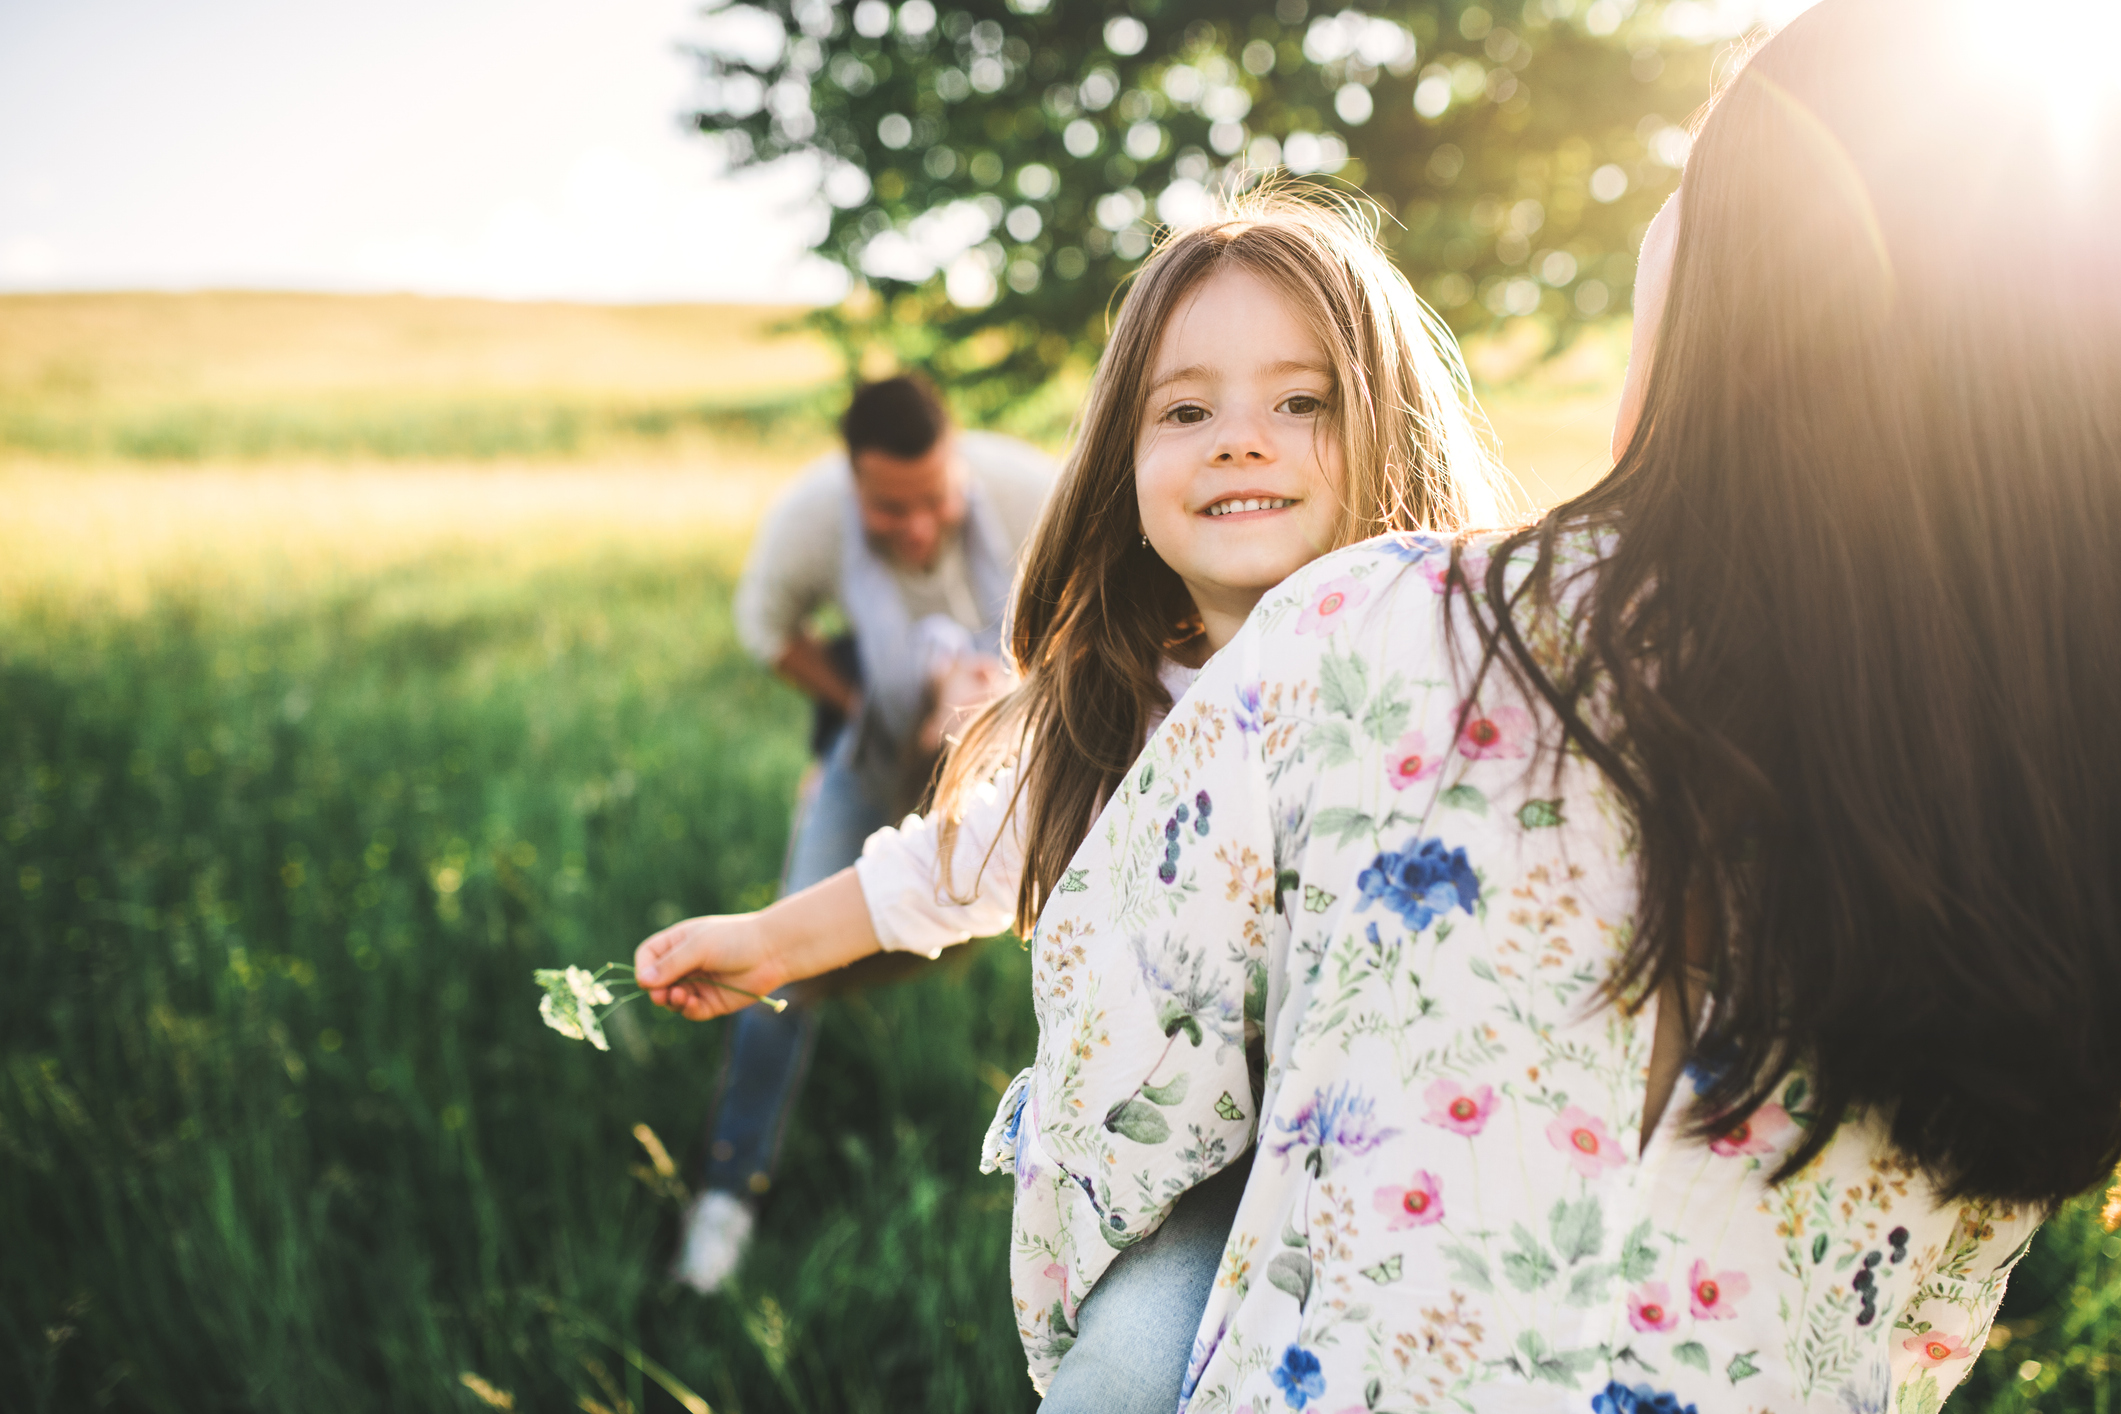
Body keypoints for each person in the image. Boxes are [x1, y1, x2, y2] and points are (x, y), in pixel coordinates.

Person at [978, 1, 2121, 1408]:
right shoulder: (2051, 801)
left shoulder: (1370, 633)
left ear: (1737, 279)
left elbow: (1108, 1126)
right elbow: (1920, 1329)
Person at [636, 189, 1513, 1409]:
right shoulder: (1110, 711)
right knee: (1119, 1381)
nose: (1240, 439)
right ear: (1124, 460)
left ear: (1393, 427)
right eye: (1187, 409)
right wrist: (762, 940)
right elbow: (943, 866)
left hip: (1429, 1161)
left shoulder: (1467, 669)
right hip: (1201, 1181)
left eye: (1301, 403)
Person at [673, 374, 1053, 1293]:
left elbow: (1115, 605)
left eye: (932, 502)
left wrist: (1019, 695)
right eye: (890, 510)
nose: (917, 528)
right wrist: (862, 713)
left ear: (957, 466)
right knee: (783, 950)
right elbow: (767, 629)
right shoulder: (810, 518)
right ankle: (725, 1195)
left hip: (1025, 744)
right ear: (854, 487)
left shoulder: (1029, 490)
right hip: (877, 748)